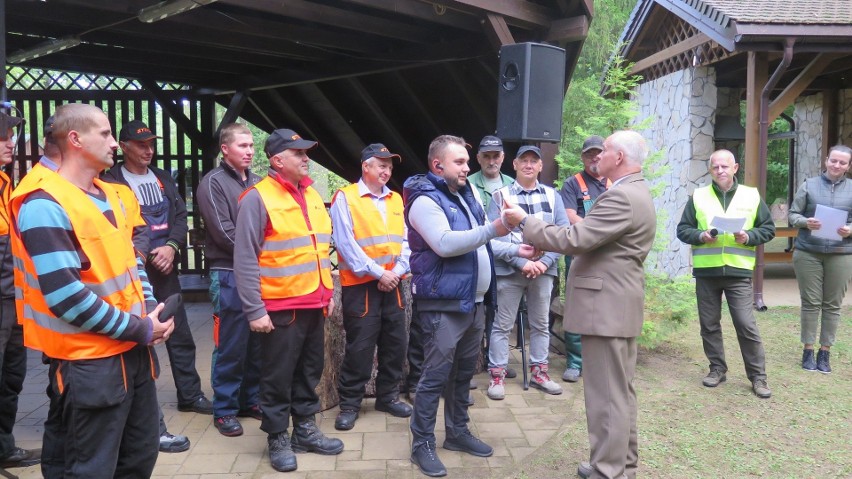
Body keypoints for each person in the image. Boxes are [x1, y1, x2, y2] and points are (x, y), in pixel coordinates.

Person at [10, 103, 174, 477]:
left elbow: (132, 264)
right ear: (75, 139)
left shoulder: (110, 195)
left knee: (138, 457)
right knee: (91, 467)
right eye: (105, 133)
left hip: (133, 353)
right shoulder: (43, 203)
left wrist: (151, 310)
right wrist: (141, 328)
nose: (115, 143)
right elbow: (66, 296)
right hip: (90, 361)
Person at [503, 130, 656, 479]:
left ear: (618, 157)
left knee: (607, 397)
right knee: (619, 393)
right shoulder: (634, 191)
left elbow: (577, 238)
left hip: (607, 308)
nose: (598, 157)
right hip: (616, 306)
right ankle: (620, 465)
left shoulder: (622, 196)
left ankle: (607, 470)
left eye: (604, 152)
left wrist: (524, 221)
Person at [404, 134, 533, 477]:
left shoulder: (465, 195)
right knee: (434, 377)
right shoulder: (424, 200)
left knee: (463, 374)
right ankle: (422, 444)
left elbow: (481, 243)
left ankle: (457, 433)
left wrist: (514, 249)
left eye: (466, 161)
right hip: (443, 305)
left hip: (473, 302)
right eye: (459, 162)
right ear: (437, 165)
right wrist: (496, 227)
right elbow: (446, 244)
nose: (467, 167)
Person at [234, 129, 344, 473]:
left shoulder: (311, 194)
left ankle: (305, 429)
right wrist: (254, 309)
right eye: (299, 154)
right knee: (277, 375)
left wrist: (327, 295)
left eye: (306, 153)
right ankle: (278, 436)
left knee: (309, 370)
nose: (306, 159)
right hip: (280, 307)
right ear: (278, 160)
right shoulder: (257, 197)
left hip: (314, 301)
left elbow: (319, 250)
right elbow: (246, 257)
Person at [103, 119, 213, 452]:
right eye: (141, 144)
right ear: (123, 147)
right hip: (132, 273)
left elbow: (181, 218)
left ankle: (190, 395)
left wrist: (172, 247)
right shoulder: (108, 181)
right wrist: (145, 253)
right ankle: (142, 413)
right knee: (142, 338)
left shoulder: (164, 178)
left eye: (151, 143)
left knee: (179, 335)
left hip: (166, 270)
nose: (148, 149)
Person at [676, 149, 775, 399]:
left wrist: (749, 236)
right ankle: (717, 368)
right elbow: (683, 229)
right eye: (715, 167)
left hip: (738, 272)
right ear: (710, 170)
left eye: (724, 166)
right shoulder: (698, 196)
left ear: (735, 168)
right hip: (707, 272)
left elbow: (768, 229)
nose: (720, 171)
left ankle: (758, 377)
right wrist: (701, 235)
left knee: (745, 324)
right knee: (709, 325)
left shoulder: (751, 196)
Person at [331, 143, 412, 431]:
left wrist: (399, 270)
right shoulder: (346, 197)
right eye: (381, 165)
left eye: (389, 166)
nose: (387, 170)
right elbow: (345, 243)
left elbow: (406, 239)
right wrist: (379, 273)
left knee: (395, 344)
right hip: (362, 286)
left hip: (394, 284)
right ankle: (350, 403)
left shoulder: (395, 200)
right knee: (361, 348)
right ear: (365, 166)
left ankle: (388, 396)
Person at [486, 145, 568, 399]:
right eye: (524, 160)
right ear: (515, 165)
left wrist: (544, 263)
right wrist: (522, 262)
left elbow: (565, 235)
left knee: (541, 324)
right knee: (502, 324)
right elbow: (491, 240)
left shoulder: (554, 196)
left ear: (541, 166)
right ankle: (497, 376)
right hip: (511, 271)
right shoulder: (500, 197)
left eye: (534, 161)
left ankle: (540, 373)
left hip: (544, 272)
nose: (529, 165)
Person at [197, 123, 263, 437]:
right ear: (225, 148)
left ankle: (250, 400)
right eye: (242, 146)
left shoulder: (261, 184)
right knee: (231, 343)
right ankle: (224, 408)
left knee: (256, 342)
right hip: (228, 272)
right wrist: (259, 255)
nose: (249, 151)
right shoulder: (213, 183)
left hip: (259, 271)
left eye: (251, 146)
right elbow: (224, 234)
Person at [788, 144, 852, 373]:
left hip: (841, 254)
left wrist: (850, 229)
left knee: (833, 304)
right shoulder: (809, 185)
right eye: (833, 160)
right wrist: (806, 222)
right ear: (826, 160)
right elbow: (793, 215)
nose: (837, 165)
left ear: (848, 166)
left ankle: (825, 352)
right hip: (808, 252)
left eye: (842, 162)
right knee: (811, 303)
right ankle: (807, 349)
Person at [0, 111, 40, 470]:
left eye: (10, 135)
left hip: (12, 298)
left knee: (11, 375)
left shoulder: (5, 183)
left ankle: (4, 446)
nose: (10, 142)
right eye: (2, 137)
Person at [557, 135, 611, 383]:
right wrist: (597, 232)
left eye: (599, 153)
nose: (595, 157)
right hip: (579, 254)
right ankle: (575, 362)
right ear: (583, 157)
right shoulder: (573, 184)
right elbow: (569, 215)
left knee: (605, 308)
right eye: (590, 154)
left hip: (609, 256)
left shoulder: (616, 183)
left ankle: (599, 362)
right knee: (577, 307)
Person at [467, 135, 513, 211]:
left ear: (503, 157)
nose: (491, 162)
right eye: (486, 156)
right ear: (478, 158)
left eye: (496, 156)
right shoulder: (468, 184)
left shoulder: (512, 183)